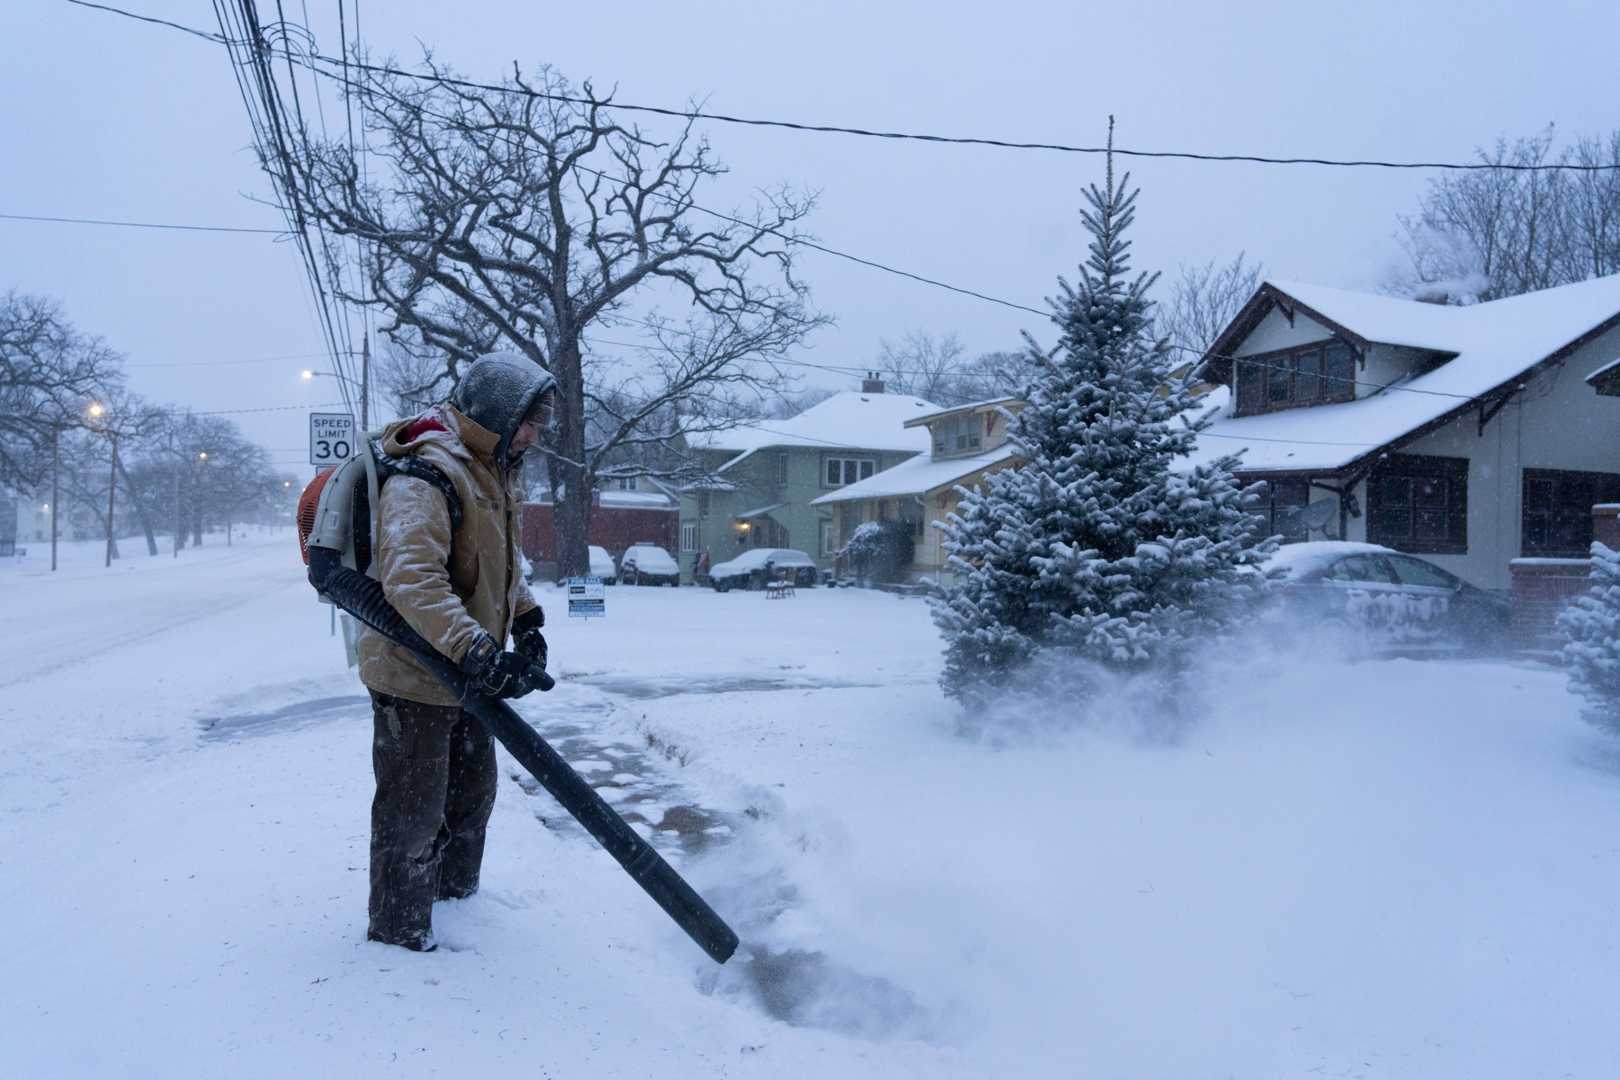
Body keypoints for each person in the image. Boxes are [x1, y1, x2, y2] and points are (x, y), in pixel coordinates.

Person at [356, 352, 557, 952]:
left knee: (472, 799)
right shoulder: (429, 472)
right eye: (529, 420)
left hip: (467, 670)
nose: (534, 434)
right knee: (413, 812)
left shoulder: (494, 469)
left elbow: (499, 561)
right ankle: (397, 932)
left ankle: (457, 905)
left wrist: (527, 621)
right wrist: (475, 647)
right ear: (498, 413)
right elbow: (412, 577)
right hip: (414, 673)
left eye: (540, 423)